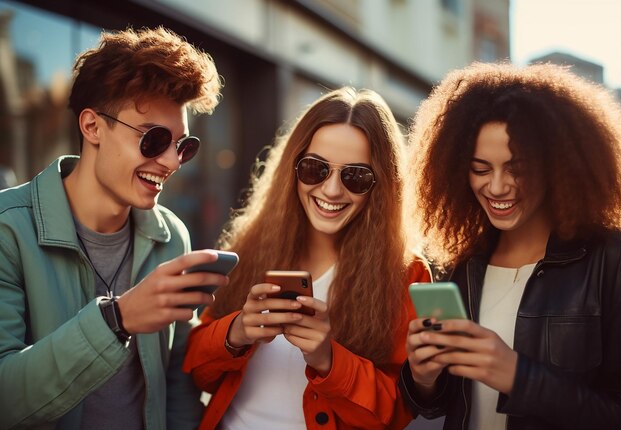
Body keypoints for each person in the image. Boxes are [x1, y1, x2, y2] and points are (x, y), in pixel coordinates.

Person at [0, 27, 226, 429]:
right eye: (155, 139)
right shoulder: (8, 230)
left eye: (183, 146)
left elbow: (176, 380)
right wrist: (116, 319)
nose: (172, 162)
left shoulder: (171, 236)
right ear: (92, 127)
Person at [183, 87, 431, 430]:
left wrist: (328, 360)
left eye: (355, 176)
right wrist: (236, 333)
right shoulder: (253, 244)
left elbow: (397, 412)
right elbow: (194, 372)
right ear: (292, 169)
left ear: (382, 186)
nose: (331, 190)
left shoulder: (407, 272)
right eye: (315, 169)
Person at [399, 62, 621, 430]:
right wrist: (424, 377)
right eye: (480, 168)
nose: (498, 187)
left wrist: (519, 378)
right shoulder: (463, 265)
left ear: (558, 166)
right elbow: (437, 406)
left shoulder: (612, 260)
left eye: (516, 168)